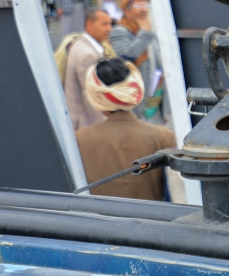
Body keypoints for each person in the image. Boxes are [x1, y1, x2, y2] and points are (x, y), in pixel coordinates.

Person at [75, 58, 176, 201]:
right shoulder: (165, 137)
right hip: (153, 221)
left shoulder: (78, 140)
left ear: (95, 95)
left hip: (95, 222)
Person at [110, 0, 163, 121]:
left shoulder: (149, 31)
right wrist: (145, 33)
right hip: (135, 98)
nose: (143, 9)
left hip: (154, 93)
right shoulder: (119, 32)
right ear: (127, 12)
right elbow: (129, 54)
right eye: (138, 6)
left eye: (146, 5)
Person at [63, 9, 117, 131]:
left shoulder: (80, 43)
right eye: (104, 24)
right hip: (87, 125)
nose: (109, 29)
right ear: (89, 25)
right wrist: (107, 129)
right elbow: (92, 99)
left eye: (110, 24)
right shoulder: (88, 56)